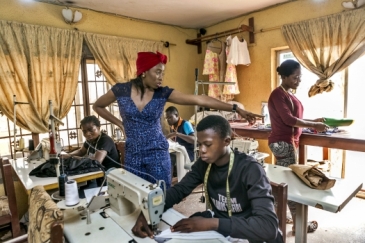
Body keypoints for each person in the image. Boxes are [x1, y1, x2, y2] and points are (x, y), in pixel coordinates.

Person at [93, 51, 262, 189]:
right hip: (132, 153)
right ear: (143, 71)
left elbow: (200, 99)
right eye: (157, 72)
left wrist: (236, 108)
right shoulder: (120, 90)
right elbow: (98, 106)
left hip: (157, 152)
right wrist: (120, 123)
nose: (161, 77)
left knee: (160, 197)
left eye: (163, 73)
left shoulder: (163, 93)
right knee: (136, 195)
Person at [132, 115, 281, 243]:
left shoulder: (250, 169)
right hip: (224, 230)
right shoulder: (204, 164)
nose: (202, 150)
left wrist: (212, 223)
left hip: (251, 234)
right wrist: (149, 213)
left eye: (208, 144)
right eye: (200, 144)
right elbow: (179, 190)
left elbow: (268, 227)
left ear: (227, 141)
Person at [267, 59, 329, 234]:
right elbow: (289, 120)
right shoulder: (278, 94)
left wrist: (312, 122)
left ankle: (279, 218)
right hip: (283, 143)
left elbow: (294, 118)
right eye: (295, 77)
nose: (299, 80)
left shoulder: (288, 94)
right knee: (290, 184)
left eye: (299, 77)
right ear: (285, 77)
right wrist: (313, 126)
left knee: (283, 183)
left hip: (288, 142)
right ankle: (297, 224)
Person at [61, 115, 120, 185]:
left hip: (109, 177)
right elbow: (81, 151)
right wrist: (68, 154)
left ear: (98, 127)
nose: (87, 134)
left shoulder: (105, 140)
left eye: (91, 130)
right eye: (84, 131)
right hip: (97, 174)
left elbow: (96, 162)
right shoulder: (90, 140)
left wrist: (71, 157)